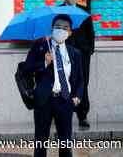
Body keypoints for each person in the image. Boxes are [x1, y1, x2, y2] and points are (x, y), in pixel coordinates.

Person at [25, 14, 84, 157]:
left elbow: (80, 79)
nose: (61, 30)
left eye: (65, 28)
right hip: (44, 100)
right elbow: (26, 69)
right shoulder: (40, 47)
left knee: (65, 144)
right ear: (52, 29)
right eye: (57, 27)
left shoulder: (75, 53)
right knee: (40, 143)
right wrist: (44, 63)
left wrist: (77, 96)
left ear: (70, 33)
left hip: (65, 100)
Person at [62, 0, 95, 128]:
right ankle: (65, 115)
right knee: (66, 83)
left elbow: (90, 31)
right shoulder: (60, 11)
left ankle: (83, 116)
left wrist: (89, 49)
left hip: (82, 53)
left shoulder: (84, 10)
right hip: (66, 52)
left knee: (83, 83)